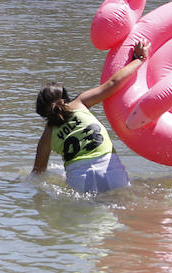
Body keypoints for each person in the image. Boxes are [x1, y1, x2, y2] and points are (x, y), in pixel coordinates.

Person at [31, 38, 149, 194]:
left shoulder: (46, 137)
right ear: (65, 97)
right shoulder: (80, 103)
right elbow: (113, 83)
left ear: (43, 114)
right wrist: (139, 59)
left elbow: (38, 174)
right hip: (111, 169)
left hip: (79, 179)